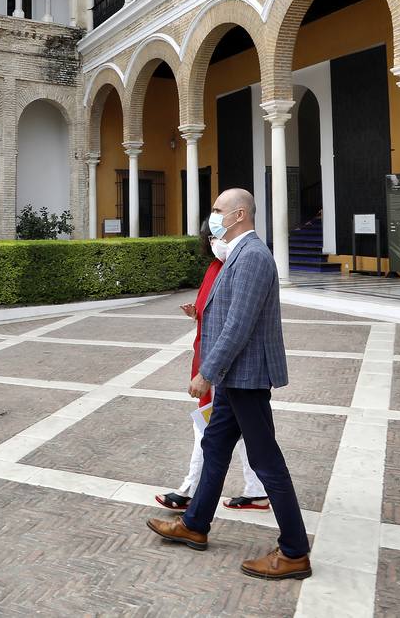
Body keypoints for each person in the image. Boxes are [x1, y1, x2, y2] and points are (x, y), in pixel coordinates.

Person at [145, 188, 312, 581]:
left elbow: (239, 325)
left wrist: (207, 372)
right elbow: (225, 314)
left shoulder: (252, 256)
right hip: (235, 375)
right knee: (215, 446)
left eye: (218, 210)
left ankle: (294, 551)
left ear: (239, 215)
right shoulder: (237, 254)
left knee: (266, 461)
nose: (213, 216)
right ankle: (195, 523)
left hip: (246, 376)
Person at [154, 224, 269, 514]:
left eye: (219, 236)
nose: (216, 242)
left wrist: (208, 373)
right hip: (210, 360)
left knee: (207, 428)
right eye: (212, 238)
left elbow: (236, 324)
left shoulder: (240, 265)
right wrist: (198, 312)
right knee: (232, 431)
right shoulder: (216, 268)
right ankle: (254, 490)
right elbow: (216, 314)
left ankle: (191, 491)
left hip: (221, 366)